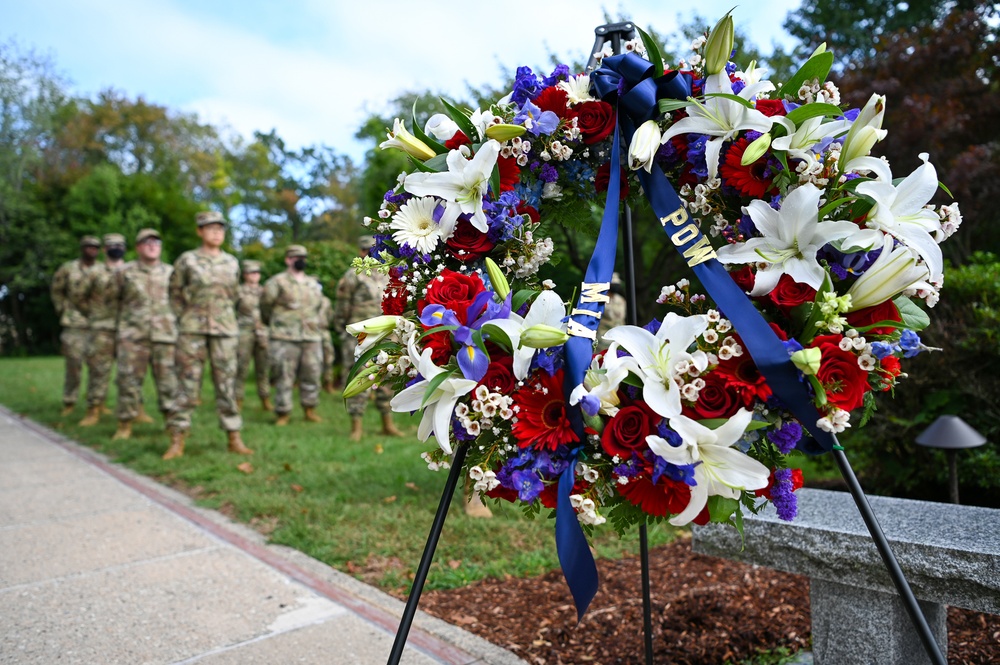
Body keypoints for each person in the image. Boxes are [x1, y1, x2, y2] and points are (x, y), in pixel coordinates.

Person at [164, 211, 251, 459]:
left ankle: (234, 437)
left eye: (220, 228)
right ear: (199, 231)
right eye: (209, 227)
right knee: (187, 384)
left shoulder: (232, 262)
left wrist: (224, 316)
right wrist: (185, 317)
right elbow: (175, 292)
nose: (216, 232)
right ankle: (177, 438)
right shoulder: (187, 260)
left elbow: (234, 295)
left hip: (224, 330)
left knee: (226, 384)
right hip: (193, 330)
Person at [111, 229, 179, 440]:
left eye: (156, 242)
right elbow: (113, 301)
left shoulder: (172, 272)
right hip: (133, 336)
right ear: (138, 247)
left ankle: (172, 424)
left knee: (169, 382)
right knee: (128, 381)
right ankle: (125, 424)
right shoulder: (124, 272)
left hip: (165, 335)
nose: (152, 245)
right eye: (146, 242)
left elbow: (180, 300)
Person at [334, 235, 401, 441]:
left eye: (372, 250)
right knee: (359, 377)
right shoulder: (353, 275)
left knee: (387, 376)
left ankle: (387, 423)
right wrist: (343, 330)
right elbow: (342, 306)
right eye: (364, 250)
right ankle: (356, 426)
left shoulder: (389, 273)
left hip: (387, 333)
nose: (368, 254)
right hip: (360, 334)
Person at [260, 245, 324, 425]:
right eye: (296, 257)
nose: (301, 260)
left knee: (312, 372)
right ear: (288, 260)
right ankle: (283, 412)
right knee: (283, 375)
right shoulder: (276, 282)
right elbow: (265, 307)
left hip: (310, 336)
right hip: (284, 336)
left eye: (303, 257)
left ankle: (309, 409)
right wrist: (276, 324)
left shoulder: (313, 283)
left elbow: (318, 307)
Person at [78, 233, 128, 427]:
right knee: (98, 370)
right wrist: (93, 313)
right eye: (112, 245)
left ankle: (135, 409)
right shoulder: (95, 272)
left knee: (130, 372)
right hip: (102, 328)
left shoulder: (131, 270)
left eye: (120, 245)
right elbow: (79, 296)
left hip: (127, 328)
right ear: (105, 249)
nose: (117, 247)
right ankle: (94, 409)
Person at [51, 235, 101, 417]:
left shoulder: (102, 270)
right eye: (88, 247)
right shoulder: (68, 268)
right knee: (74, 364)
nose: (92, 250)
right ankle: (69, 401)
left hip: (97, 324)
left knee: (98, 367)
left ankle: (97, 402)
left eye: (95, 247)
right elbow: (56, 290)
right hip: (74, 323)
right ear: (82, 248)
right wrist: (62, 309)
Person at [235, 260, 272, 412]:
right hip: (244, 332)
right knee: (240, 368)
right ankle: (237, 400)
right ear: (245, 275)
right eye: (252, 273)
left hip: (263, 333)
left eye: (257, 273)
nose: (255, 275)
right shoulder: (238, 291)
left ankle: (265, 399)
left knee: (263, 369)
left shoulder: (265, 291)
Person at [597, 272, 627, 351]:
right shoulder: (599, 299)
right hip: (602, 336)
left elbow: (620, 316)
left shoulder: (620, 300)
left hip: (618, 335)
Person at [318, 295, 336, 394]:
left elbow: (330, 316)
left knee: (328, 358)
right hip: (309, 332)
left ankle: (328, 384)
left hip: (323, 331)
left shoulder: (326, 301)